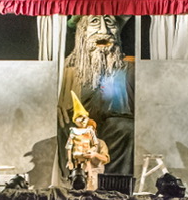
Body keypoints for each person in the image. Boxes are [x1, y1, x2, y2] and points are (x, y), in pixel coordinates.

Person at [57, 15, 134, 182]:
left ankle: (115, 184)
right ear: (81, 31)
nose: (104, 30)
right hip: (77, 125)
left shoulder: (128, 68)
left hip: (113, 127)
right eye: (94, 22)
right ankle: (71, 181)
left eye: (109, 22)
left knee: (126, 128)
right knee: (63, 125)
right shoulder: (67, 70)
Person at [64, 94, 110, 191]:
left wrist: (94, 154)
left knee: (91, 190)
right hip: (80, 173)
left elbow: (105, 158)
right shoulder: (77, 138)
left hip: (95, 174)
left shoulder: (100, 143)